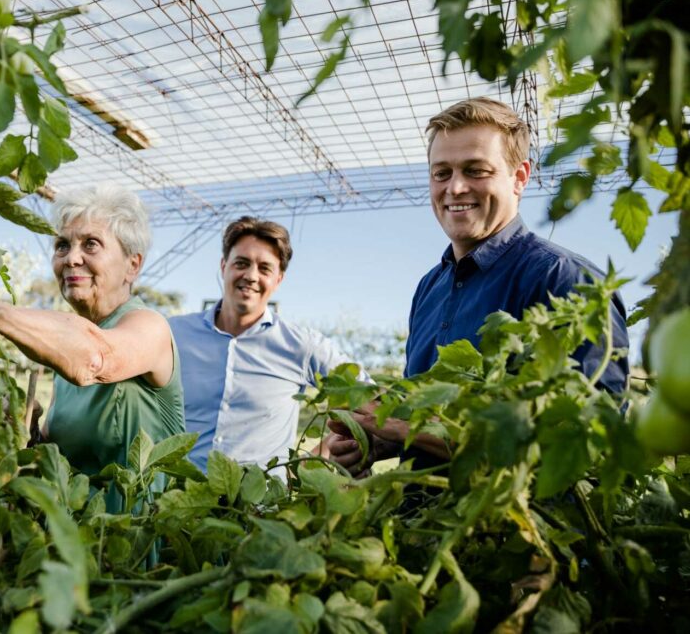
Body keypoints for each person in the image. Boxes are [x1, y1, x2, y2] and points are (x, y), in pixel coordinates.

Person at [326, 97, 630, 472]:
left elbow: (589, 441)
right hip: (421, 524)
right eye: (441, 173)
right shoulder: (429, 288)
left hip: (516, 527)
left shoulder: (564, 280)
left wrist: (399, 424)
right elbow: (426, 423)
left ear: (519, 177)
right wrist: (373, 444)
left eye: (475, 170)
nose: (454, 188)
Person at [0, 185, 185, 509]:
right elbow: (60, 462)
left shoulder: (149, 327)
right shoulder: (61, 356)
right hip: (73, 544)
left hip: (131, 545)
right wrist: (27, 433)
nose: (71, 258)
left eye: (91, 244)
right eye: (62, 245)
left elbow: (95, 358)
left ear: (133, 265)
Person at [169, 216, 371, 474]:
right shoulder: (173, 334)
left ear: (278, 279)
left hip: (260, 509)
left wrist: (309, 462)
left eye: (265, 268)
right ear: (223, 266)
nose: (251, 276)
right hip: (176, 500)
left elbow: (368, 396)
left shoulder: (301, 345)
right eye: (241, 263)